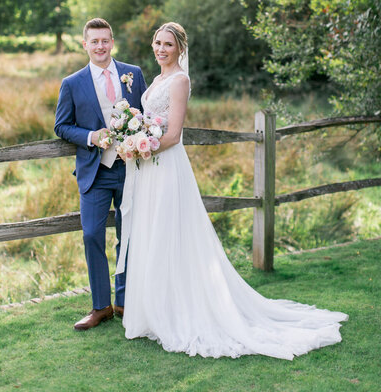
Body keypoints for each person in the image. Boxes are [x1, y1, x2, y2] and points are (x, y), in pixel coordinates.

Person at [116, 22, 348, 359]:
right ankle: (154, 311)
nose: (161, 49)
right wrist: (135, 136)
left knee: (169, 232)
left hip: (166, 166)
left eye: (168, 44)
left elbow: (175, 134)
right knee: (152, 233)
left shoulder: (180, 80)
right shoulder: (156, 81)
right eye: (157, 43)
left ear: (181, 48)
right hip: (149, 168)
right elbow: (150, 120)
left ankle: (180, 312)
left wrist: (141, 147)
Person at [54, 18, 146, 330]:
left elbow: (145, 116)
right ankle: (100, 306)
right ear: (85, 45)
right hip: (94, 172)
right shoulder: (72, 83)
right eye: (94, 41)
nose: (100, 47)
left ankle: (124, 302)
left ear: (112, 41)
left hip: (132, 169)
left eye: (105, 40)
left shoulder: (133, 74)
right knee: (92, 234)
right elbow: (62, 126)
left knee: (129, 236)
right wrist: (92, 137)